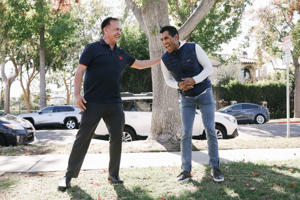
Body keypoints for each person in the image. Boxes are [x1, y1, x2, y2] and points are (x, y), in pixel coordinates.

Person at [58, 17, 160, 191]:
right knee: (83, 138)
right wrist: (76, 94)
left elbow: (140, 64)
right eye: (116, 29)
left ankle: (113, 175)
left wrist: (161, 59)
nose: (119, 32)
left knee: (117, 139)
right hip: (93, 102)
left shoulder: (121, 53)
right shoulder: (92, 49)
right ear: (105, 29)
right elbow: (80, 71)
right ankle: (68, 175)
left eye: (120, 29)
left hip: (114, 103)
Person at [159, 25, 224, 182]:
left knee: (210, 129)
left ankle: (215, 167)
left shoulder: (193, 47)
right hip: (186, 99)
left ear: (176, 37)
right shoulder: (164, 59)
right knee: (186, 133)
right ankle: (186, 170)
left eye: (166, 38)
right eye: (161, 40)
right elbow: (168, 80)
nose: (164, 42)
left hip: (204, 94)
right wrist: (179, 85)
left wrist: (194, 80)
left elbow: (208, 68)